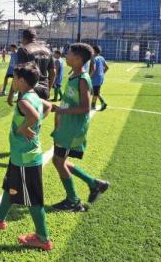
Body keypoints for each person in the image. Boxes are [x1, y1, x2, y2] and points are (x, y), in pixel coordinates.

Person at [0, 62, 53, 251]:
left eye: (14, 78)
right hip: (20, 156)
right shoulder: (34, 95)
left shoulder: (23, 101)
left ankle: (43, 238)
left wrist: (24, 128)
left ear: (21, 80)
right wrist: (33, 125)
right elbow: (49, 106)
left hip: (26, 160)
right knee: (10, 187)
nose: (12, 81)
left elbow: (34, 116)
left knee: (33, 200)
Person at [51, 43, 109, 212]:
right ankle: (95, 184)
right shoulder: (74, 75)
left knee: (59, 161)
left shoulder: (83, 79)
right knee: (59, 161)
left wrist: (60, 110)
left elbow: (85, 107)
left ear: (77, 59)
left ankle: (73, 201)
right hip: (65, 125)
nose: (65, 56)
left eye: (68, 54)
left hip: (72, 128)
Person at [16, 29, 55, 100]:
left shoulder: (23, 50)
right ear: (35, 38)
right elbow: (53, 73)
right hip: (44, 89)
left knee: (25, 111)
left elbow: (19, 72)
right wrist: (48, 90)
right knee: (40, 111)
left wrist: (11, 93)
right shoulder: (47, 50)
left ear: (23, 38)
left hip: (29, 91)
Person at [90, 45, 109, 111]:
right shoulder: (101, 58)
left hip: (95, 78)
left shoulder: (94, 59)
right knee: (96, 92)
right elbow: (107, 67)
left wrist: (89, 77)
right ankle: (100, 103)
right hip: (100, 78)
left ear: (94, 51)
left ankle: (94, 105)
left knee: (95, 93)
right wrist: (102, 73)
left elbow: (93, 69)